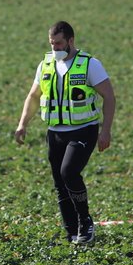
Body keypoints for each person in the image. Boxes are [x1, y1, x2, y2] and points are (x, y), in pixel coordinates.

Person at [14, 21, 116, 245]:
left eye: (59, 43)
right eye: (52, 44)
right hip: (54, 132)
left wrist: (105, 130)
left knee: (69, 172)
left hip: (83, 129)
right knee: (60, 182)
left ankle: (85, 222)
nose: (55, 48)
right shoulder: (46, 64)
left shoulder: (90, 64)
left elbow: (109, 96)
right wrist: (23, 124)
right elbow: (33, 96)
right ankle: (71, 232)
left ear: (71, 41)